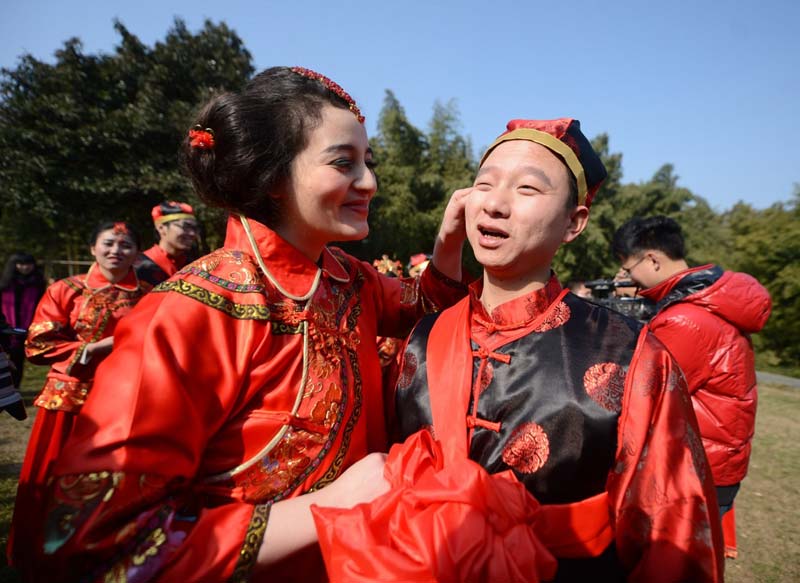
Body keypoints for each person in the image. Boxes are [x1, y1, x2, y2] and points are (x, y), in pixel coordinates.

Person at [33, 66, 469, 582]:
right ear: (272, 176)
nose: (369, 183)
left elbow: (423, 305)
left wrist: (450, 240)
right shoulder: (189, 312)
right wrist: (325, 506)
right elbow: (97, 545)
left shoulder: (351, 280)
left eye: (368, 163)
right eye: (343, 163)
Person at [312, 119, 724, 582]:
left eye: (527, 188)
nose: (496, 203)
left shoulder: (634, 355)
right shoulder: (419, 338)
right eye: (484, 184)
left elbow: (673, 528)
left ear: (574, 223)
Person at [612, 215, 772, 557]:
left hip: (698, 468)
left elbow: (643, 393)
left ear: (652, 258)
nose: (630, 280)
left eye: (629, 269)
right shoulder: (705, 303)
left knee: (676, 562)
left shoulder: (686, 319)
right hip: (718, 462)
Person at [7, 221, 150, 579]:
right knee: (55, 478)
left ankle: (102, 549)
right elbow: (38, 343)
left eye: (126, 244)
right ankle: (41, 553)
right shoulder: (65, 289)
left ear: (137, 252)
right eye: (108, 243)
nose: (116, 250)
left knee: (113, 480)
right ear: (92, 249)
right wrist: (96, 349)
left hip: (125, 399)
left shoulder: (151, 295)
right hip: (69, 400)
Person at [0, 252, 46, 386]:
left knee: (17, 361)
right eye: (21, 264)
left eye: (28, 264)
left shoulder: (37, 284)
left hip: (25, 329)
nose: (25, 267)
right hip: (4, 328)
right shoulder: (5, 284)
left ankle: (14, 388)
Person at [133, 200, 200, 286]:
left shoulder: (194, 266)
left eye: (194, 228)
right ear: (161, 228)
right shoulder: (138, 266)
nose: (192, 233)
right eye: (185, 227)